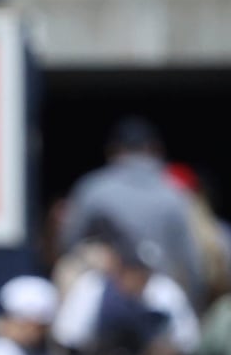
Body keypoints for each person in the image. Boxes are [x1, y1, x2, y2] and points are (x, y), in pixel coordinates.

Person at [56, 117, 201, 293]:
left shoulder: (93, 188)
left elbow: (68, 245)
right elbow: (192, 264)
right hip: (159, 292)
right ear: (155, 149)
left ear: (113, 150)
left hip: (105, 294)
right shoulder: (175, 192)